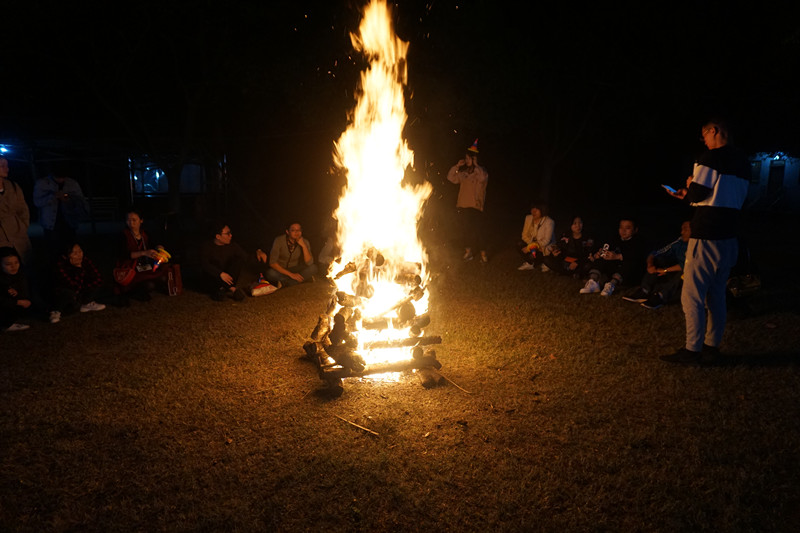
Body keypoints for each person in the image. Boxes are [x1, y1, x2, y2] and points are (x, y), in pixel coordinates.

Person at [660, 118, 750, 364]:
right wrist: (688, 196)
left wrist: (689, 185)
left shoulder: (709, 158)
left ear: (714, 130)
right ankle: (712, 345)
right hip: (729, 235)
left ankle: (692, 350)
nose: (705, 141)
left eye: (705, 135)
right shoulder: (743, 161)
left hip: (707, 235)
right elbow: (718, 195)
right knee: (717, 295)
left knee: (692, 296)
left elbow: (699, 192)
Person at [622, 221, 691, 309]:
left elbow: (689, 265)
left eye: (686, 229)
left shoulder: (699, 246)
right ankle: (644, 291)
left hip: (689, 275)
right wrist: (650, 265)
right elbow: (655, 253)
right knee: (658, 260)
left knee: (686, 272)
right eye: (682, 229)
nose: (682, 232)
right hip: (674, 270)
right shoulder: (679, 242)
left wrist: (665, 270)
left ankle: (661, 296)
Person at [32, 164, 90, 259]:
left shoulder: (72, 184)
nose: (60, 180)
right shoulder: (42, 184)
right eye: (58, 178)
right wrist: (52, 196)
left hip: (69, 222)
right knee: (53, 250)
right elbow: (37, 202)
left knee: (70, 249)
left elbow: (80, 201)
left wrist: (67, 199)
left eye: (63, 178)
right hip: (51, 224)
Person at [579, 217, 648, 297]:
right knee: (603, 257)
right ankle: (593, 282)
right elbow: (606, 250)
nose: (623, 230)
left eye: (627, 228)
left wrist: (617, 256)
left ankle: (611, 284)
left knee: (630, 262)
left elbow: (637, 256)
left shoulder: (639, 241)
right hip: (614, 269)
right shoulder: (615, 239)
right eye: (621, 227)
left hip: (629, 274)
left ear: (635, 230)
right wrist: (599, 254)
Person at [446, 139, 489, 263]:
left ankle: (483, 254)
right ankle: (468, 252)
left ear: (475, 159)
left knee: (478, 232)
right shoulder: (464, 173)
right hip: (463, 206)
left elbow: (483, 178)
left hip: (475, 206)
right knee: (465, 231)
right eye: (466, 158)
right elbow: (451, 178)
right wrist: (457, 166)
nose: (467, 160)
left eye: (469, 158)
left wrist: (477, 165)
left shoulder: (481, 172)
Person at [114, 210, 167, 304]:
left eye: (134, 220)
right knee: (149, 285)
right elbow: (123, 254)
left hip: (145, 266)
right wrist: (143, 253)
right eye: (128, 220)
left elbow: (154, 244)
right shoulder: (123, 235)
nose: (131, 223)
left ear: (141, 220)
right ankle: (133, 291)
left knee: (163, 277)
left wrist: (159, 249)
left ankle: (142, 289)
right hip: (131, 268)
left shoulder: (144, 234)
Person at [200, 222, 259, 301]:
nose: (230, 235)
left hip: (228, 278)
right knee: (214, 263)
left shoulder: (232, 246)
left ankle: (222, 289)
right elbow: (204, 264)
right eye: (227, 234)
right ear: (218, 236)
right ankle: (231, 289)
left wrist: (258, 252)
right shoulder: (208, 247)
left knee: (238, 260)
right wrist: (220, 274)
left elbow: (247, 258)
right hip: (214, 279)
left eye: (230, 233)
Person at [50, 242, 105, 323]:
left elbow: (97, 277)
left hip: (80, 291)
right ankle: (55, 311)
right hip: (64, 293)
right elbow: (73, 286)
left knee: (98, 283)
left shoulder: (85, 260)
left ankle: (86, 302)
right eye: (74, 253)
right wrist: (78, 269)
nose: (79, 255)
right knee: (69, 296)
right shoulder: (61, 266)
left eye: (80, 251)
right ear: (65, 256)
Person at [0, 155, 33, 265]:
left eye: (7, 166)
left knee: (23, 265)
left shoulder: (13, 187)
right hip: (2, 239)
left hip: (18, 235)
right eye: (2, 166)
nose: (7, 169)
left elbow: (23, 209)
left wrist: (23, 226)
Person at [263, 222, 318, 287]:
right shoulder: (279, 240)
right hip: (281, 270)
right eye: (293, 230)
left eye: (299, 230)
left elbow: (309, 263)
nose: (296, 232)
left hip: (295, 268)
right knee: (270, 273)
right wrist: (291, 275)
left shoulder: (305, 242)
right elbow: (272, 263)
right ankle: (300, 280)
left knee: (313, 268)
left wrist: (303, 246)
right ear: (287, 232)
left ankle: (284, 283)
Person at [1, 247, 33, 331]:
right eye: (8, 264)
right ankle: (7, 324)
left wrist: (17, 293)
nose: (13, 266)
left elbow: (25, 291)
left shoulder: (20, 274)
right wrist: (18, 302)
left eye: (16, 262)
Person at [517, 203, 555, 271]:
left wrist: (530, 247)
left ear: (543, 210)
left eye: (537, 209)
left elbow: (546, 241)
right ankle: (530, 263)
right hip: (533, 244)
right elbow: (524, 235)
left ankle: (544, 261)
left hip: (543, 247)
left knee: (541, 254)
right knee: (519, 244)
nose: (533, 211)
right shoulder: (528, 218)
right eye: (532, 209)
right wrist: (531, 245)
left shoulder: (549, 222)